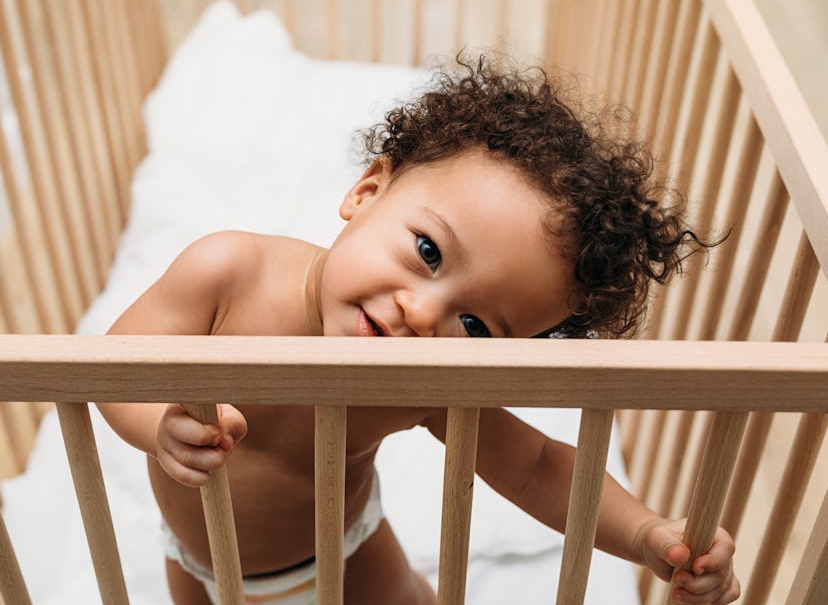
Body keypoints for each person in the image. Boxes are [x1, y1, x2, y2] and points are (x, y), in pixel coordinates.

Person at [98, 57, 740, 605]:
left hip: (346, 556)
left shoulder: (430, 377)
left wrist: (650, 535)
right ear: (367, 190)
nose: (423, 315)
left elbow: (539, 468)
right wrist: (157, 422)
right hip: (200, 564)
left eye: (476, 325)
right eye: (429, 252)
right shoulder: (230, 273)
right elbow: (114, 364)